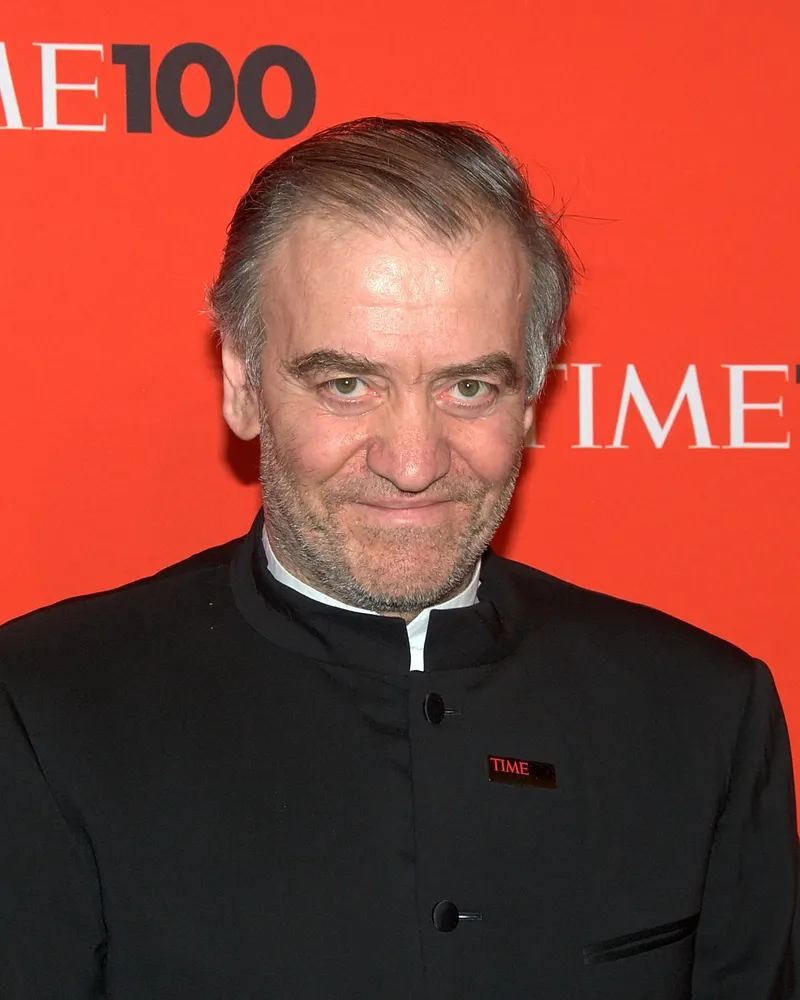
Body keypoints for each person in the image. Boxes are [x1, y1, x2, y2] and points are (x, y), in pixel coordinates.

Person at [0, 117, 796, 1000]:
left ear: (530, 397)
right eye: (347, 385)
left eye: (468, 387)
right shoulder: (43, 710)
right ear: (243, 383)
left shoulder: (704, 712)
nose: (413, 462)